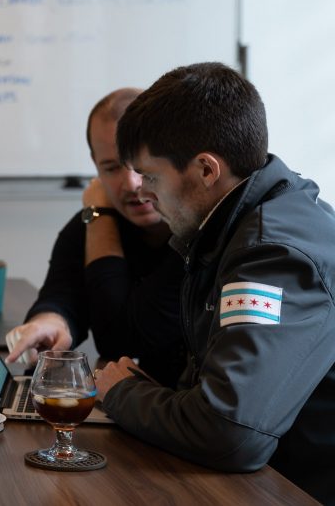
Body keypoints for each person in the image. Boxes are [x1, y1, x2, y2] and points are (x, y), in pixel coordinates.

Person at [97, 62, 335, 504]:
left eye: (150, 175)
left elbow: (229, 431)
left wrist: (124, 394)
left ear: (207, 170)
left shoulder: (272, 257)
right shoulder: (239, 227)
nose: (142, 191)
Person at [5, 88, 186, 388]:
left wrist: (100, 213)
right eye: (111, 168)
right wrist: (50, 322)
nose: (131, 184)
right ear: (94, 164)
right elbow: (62, 292)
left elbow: (120, 340)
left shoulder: (196, 232)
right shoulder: (85, 223)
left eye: (140, 165)